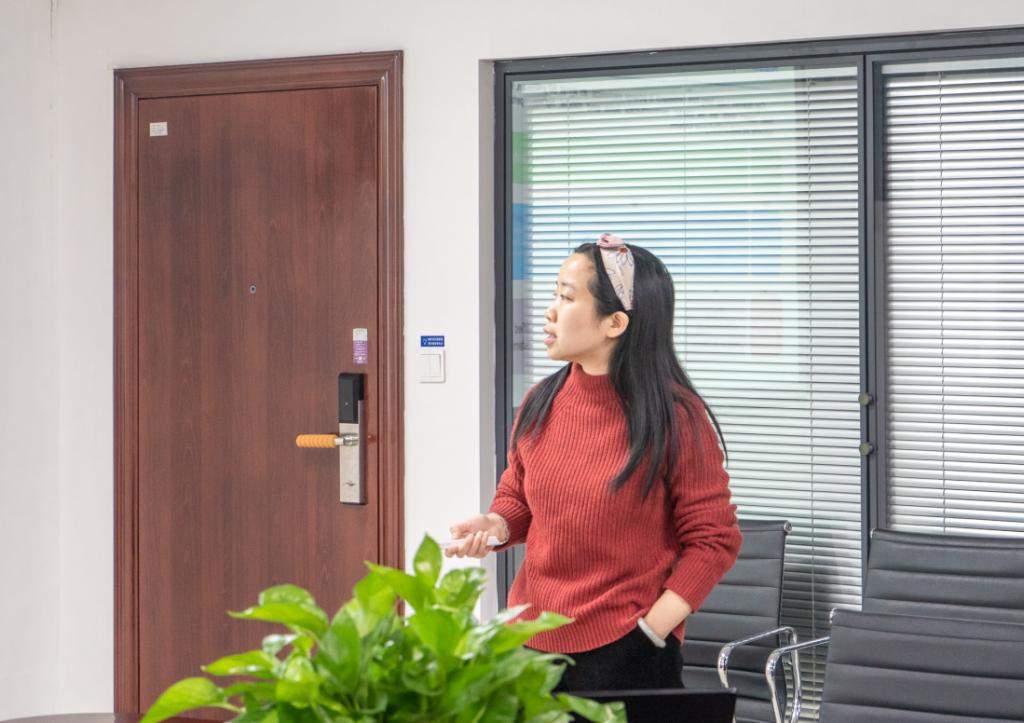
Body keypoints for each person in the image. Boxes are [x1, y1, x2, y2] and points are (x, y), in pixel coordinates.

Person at [445, 233, 741, 693]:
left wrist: (651, 632)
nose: (550, 311)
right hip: (528, 644)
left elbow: (714, 540)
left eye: (566, 297)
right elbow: (518, 498)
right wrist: (495, 525)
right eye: (554, 294)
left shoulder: (675, 417)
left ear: (615, 323)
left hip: (627, 652)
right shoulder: (541, 400)